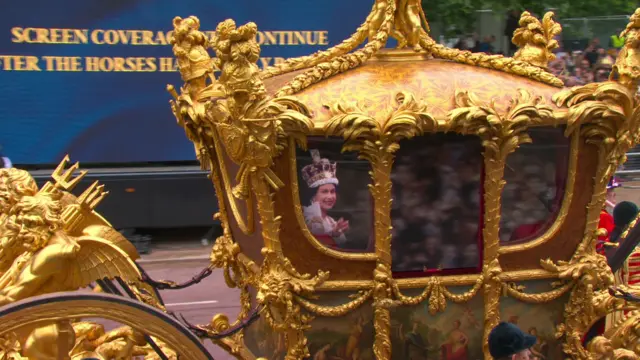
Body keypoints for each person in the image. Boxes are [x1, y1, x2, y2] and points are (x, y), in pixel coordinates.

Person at [301, 149, 349, 247]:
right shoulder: (306, 217)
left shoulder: (331, 221)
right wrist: (333, 234)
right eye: (324, 191)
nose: (330, 196)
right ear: (313, 195)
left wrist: (335, 233)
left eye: (332, 191)